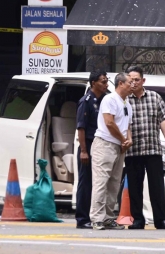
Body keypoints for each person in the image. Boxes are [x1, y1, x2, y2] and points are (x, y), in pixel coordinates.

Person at [125, 66, 165, 230]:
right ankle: (138, 219)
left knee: (157, 186)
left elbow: (162, 119)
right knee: (134, 187)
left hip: (153, 149)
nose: (133, 83)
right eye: (130, 80)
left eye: (136, 79)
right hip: (133, 150)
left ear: (143, 80)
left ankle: (161, 220)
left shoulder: (154, 97)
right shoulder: (125, 100)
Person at [90, 72, 133, 231]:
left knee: (114, 183)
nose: (132, 85)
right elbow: (109, 123)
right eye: (129, 82)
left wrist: (128, 140)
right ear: (120, 83)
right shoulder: (110, 99)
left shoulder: (127, 104)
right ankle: (97, 218)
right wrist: (124, 140)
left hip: (119, 146)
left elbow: (128, 126)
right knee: (101, 181)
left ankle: (108, 218)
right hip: (105, 144)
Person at [75, 70, 108, 229]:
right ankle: (82, 219)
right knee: (85, 182)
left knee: (96, 182)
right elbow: (81, 127)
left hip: (97, 145)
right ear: (93, 82)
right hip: (87, 145)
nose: (106, 84)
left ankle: (92, 215)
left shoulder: (102, 100)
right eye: (103, 81)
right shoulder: (86, 100)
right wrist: (83, 151)